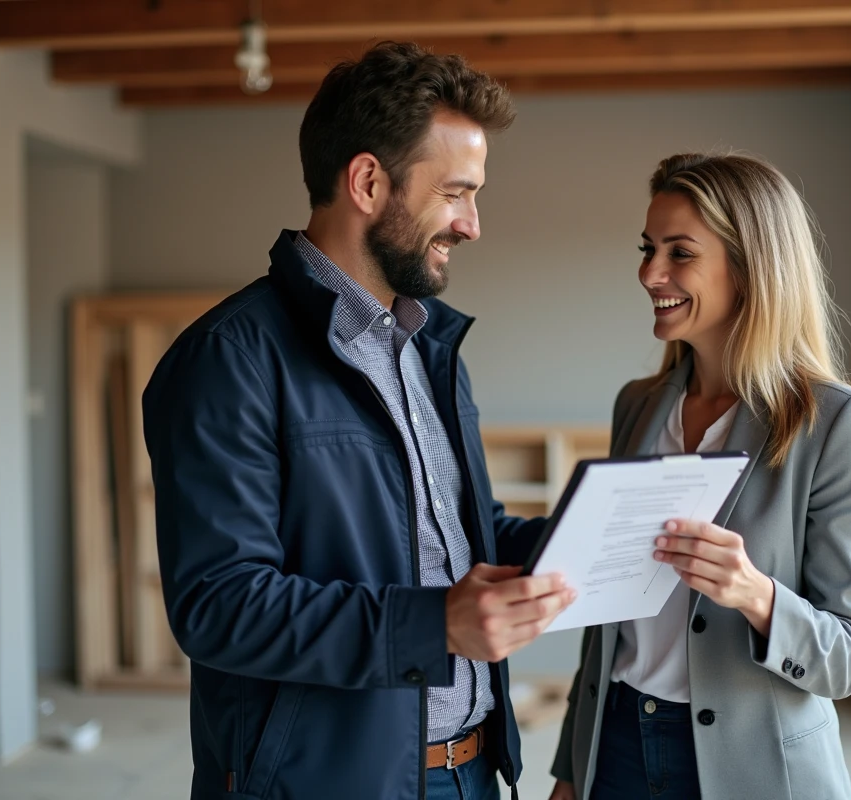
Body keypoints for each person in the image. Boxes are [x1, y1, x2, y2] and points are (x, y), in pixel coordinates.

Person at [142, 42, 576, 800]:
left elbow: (454, 533)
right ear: (369, 182)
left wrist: (589, 540)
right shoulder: (228, 359)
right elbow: (219, 605)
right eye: (456, 193)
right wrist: (435, 625)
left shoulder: (429, 347)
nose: (472, 224)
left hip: (472, 771)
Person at [549, 153, 851, 800]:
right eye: (648, 249)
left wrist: (756, 595)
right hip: (615, 746)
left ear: (751, 267)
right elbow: (605, 628)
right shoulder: (636, 405)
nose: (650, 273)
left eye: (680, 253)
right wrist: (571, 765)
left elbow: (847, 658)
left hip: (753, 767)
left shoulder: (838, 422)